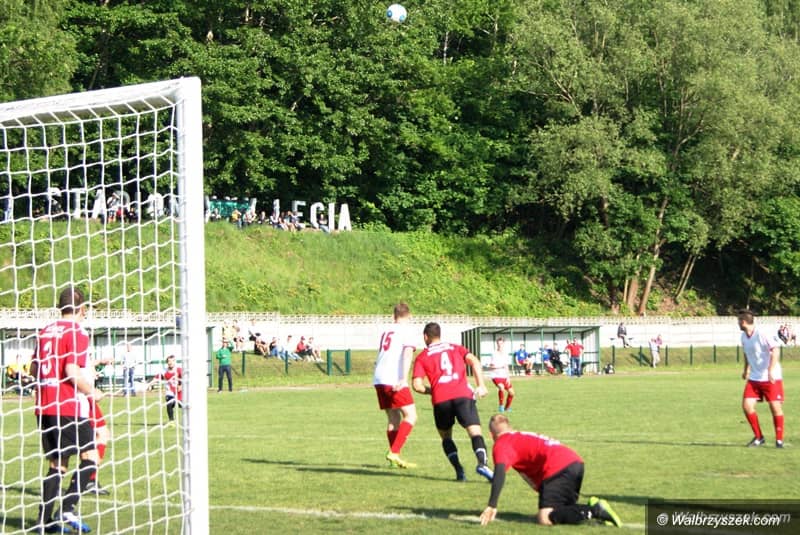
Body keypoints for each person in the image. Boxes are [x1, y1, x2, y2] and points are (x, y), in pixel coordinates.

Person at [29, 286, 104, 533]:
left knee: (57, 465)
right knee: (91, 456)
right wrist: (91, 392)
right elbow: (71, 371)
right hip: (67, 406)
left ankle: (44, 521)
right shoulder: (77, 332)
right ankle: (68, 508)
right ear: (82, 308)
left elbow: (33, 370)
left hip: (44, 407)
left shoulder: (45, 331)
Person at [479, 414, 622, 528]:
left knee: (545, 517)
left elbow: (499, 474)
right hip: (575, 463)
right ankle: (590, 508)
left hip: (558, 467)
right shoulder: (519, 436)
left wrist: (492, 505)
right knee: (560, 511)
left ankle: (595, 510)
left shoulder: (502, 443)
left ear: (491, 435)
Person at [412, 322, 493, 482]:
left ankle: (459, 471)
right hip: (463, 395)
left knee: (446, 437)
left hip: (441, 400)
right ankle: (482, 464)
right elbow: (475, 361)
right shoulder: (455, 348)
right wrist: (481, 385)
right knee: (475, 433)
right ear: (439, 334)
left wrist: (433, 390)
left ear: (425, 337)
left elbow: (417, 386)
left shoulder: (422, 357)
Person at [373, 303, 419, 469]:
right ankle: (394, 452)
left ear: (394, 316)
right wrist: (403, 378)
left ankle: (395, 458)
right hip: (393, 378)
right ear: (409, 315)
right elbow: (407, 353)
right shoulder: (407, 331)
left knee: (393, 418)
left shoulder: (386, 330)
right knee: (411, 415)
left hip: (379, 378)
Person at [738, 310, 785, 448]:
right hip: (754, 378)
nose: (738, 323)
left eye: (739, 321)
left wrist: (770, 370)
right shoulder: (743, 336)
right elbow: (746, 353)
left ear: (743, 322)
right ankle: (759, 437)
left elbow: (775, 350)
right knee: (747, 406)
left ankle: (779, 440)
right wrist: (746, 369)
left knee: (775, 407)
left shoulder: (762, 333)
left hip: (771, 377)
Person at [148, 355, 183, 425]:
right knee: (169, 404)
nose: (170, 362)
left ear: (175, 362)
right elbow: (156, 379)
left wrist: (181, 385)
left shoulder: (179, 370)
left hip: (179, 392)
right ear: (167, 362)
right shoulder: (164, 371)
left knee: (182, 405)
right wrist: (148, 385)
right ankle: (171, 421)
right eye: (169, 361)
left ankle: (188, 419)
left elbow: (184, 378)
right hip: (170, 392)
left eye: (172, 361)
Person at [488, 338, 515, 413]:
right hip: (495, 375)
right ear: (496, 344)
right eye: (498, 344)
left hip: (504, 376)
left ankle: (507, 408)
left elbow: (506, 366)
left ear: (503, 344)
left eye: (501, 343)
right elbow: (491, 366)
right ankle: (501, 406)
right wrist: (499, 367)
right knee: (501, 387)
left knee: (512, 393)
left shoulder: (506, 353)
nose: (500, 345)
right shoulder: (494, 353)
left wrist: (508, 377)